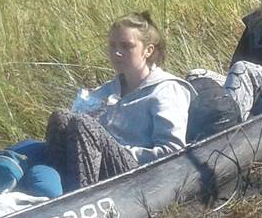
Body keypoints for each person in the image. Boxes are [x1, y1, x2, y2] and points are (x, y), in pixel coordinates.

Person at [44, 12, 194, 192]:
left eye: (126, 46)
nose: (116, 52)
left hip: (141, 173)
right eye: (112, 45)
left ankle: (82, 197)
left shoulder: (166, 90)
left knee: (83, 124)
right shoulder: (107, 91)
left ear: (148, 50)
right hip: (101, 167)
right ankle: (54, 193)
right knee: (61, 117)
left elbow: (173, 151)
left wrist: (118, 149)